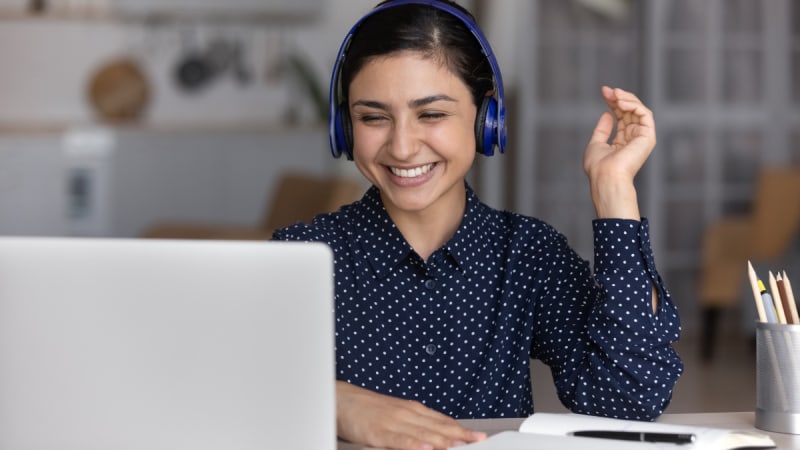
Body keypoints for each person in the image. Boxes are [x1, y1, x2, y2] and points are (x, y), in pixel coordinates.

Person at [273, 1, 684, 449]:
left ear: (487, 120)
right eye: (373, 117)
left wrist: (614, 191)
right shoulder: (298, 258)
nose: (404, 147)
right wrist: (334, 401)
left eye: (432, 114)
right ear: (345, 129)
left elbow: (627, 399)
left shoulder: (528, 253)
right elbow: (215, 384)